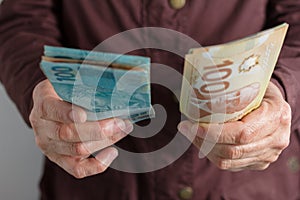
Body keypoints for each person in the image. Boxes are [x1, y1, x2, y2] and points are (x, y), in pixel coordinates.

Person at [0, 0, 299, 199]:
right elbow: (22, 19)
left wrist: (286, 89)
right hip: (96, 180)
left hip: (249, 183)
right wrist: (38, 87)